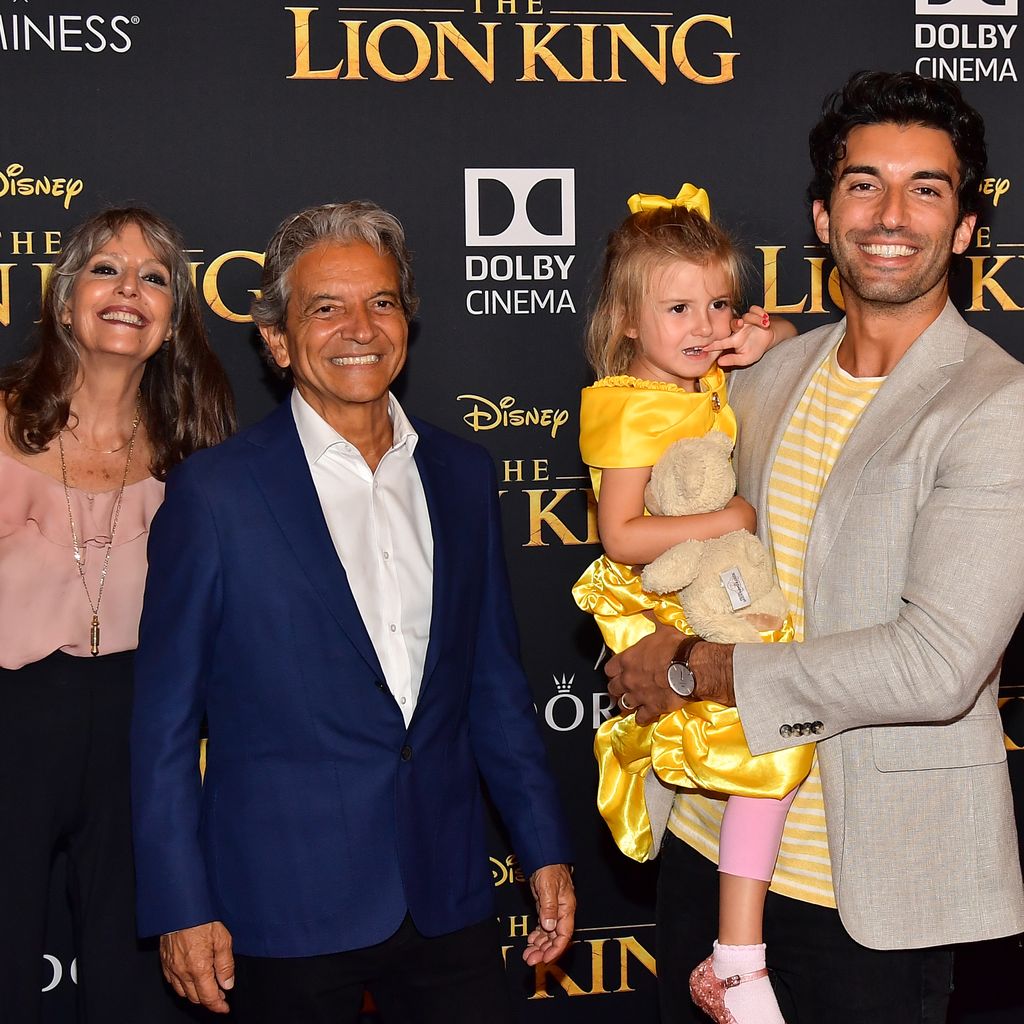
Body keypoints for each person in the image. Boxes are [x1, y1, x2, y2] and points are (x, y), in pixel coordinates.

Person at [605, 71, 1024, 1024]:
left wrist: (695, 672)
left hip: (860, 895)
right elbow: (677, 547)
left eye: (928, 188)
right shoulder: (761, 376)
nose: (892, 213)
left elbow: (936, 665)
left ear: (964, 229)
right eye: (863, 183)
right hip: (706, 856)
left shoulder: (997, 407)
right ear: (823, 215)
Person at [130, 200, 576, 1022]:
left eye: (380, 302)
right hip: (282, 906)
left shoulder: (464, 473)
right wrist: (179, 904)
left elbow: (493, 687)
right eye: (325, 308)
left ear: (406, 320)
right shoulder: (217, 493)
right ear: (276, 339)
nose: (359, 328)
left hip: (447, 894)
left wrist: (544, 847)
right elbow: (162, 725)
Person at [572, 185, 804, 1024]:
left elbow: (772, 335)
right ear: (627, 319)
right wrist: (732, 517)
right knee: (770, 755)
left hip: (706, 587)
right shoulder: (632, 409)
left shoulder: (689, 376)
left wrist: (762, 334)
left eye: (717, 303)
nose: (704, 326)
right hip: (660, 603)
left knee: (772, 751)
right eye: (678, 308)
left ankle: (735, 956)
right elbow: (622, 534)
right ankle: (737, 962)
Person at [0, 206, 236, 1023]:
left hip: (145, 736)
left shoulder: (198, 453)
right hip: (13, 725)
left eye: (155, 276)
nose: (129, 288)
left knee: (136, 990)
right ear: (64, 302)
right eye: (105, 268)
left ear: (171, 320)